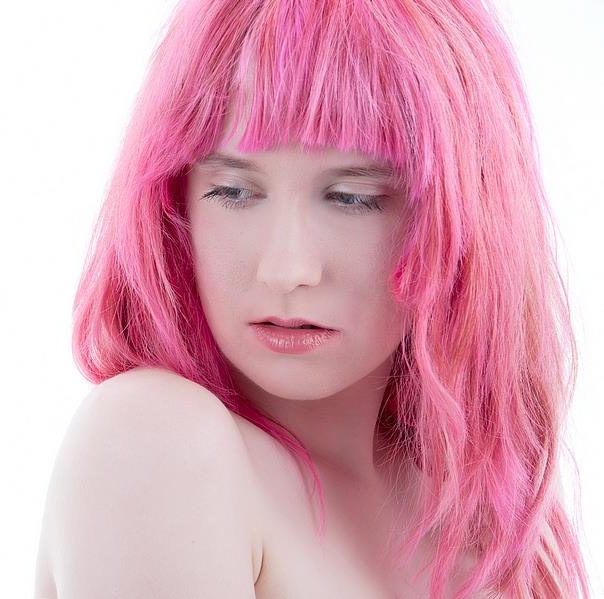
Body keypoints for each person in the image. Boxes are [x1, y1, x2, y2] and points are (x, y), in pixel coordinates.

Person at [34, 0, 591, 597]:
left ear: (466, 214)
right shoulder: (155, 440)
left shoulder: (486, 515)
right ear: (176, 200)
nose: (286, 269)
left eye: (352, 197)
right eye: (233, 191)